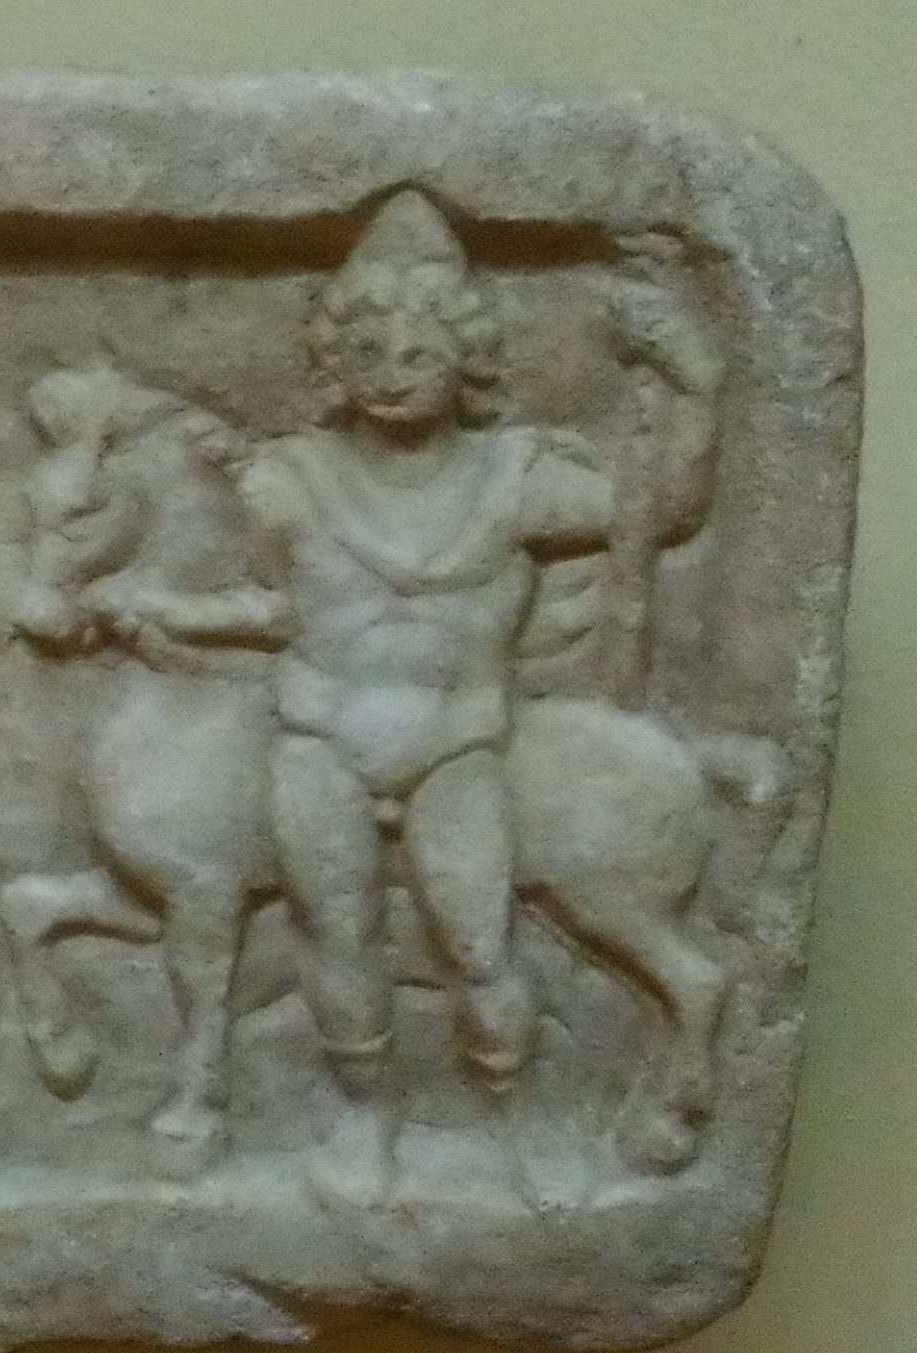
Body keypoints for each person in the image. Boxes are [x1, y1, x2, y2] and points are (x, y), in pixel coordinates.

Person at [236, 188, 705, 1205]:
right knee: (337, 933)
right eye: (369, 353)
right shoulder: (283, 480)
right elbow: (248, 597)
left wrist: (695, 384)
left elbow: (658, 513)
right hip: (320, 739)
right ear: (336, 363)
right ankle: (364, 1117)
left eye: (420, 354)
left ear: (466, 363)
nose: (393, 373)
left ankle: (520, 1115)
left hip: (454, 745)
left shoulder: (516, 478)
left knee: (479, 945)